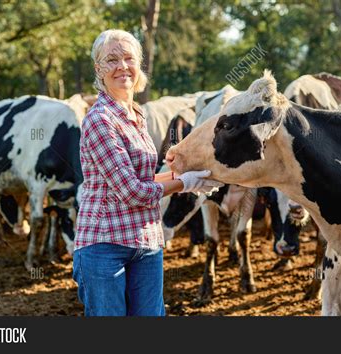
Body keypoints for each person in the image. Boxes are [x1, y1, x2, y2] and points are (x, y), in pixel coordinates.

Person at [72, 29, 223, 316]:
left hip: (146, 242)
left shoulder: (136, 114)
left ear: (139, 65)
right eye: (111, 59)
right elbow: (132, 192)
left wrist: (194, 178)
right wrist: (182, 183)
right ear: (98, 68)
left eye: (129, 58)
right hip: (105, 247)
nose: (122, 66)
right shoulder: (100, 120)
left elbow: (139, 180)